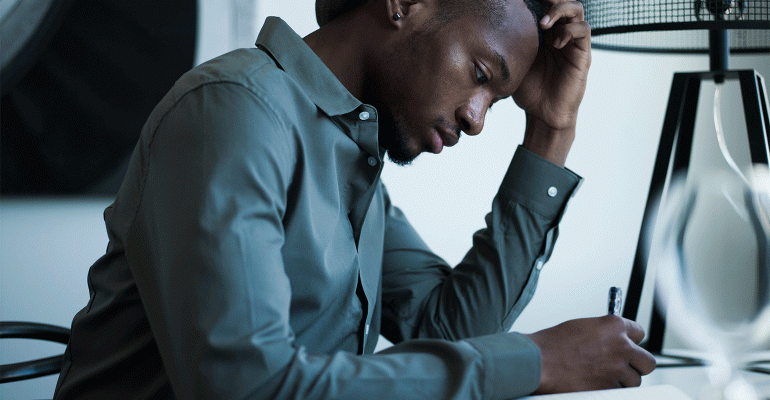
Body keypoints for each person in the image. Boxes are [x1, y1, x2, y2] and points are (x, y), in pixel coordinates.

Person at [53, 0, 656, 398]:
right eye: (480, 74)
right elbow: (244, 388)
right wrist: (537, 361)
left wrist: (551, 132)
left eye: (496, 103)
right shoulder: (234, 111)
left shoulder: (346, 150)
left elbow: (450, 328)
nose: (477, 121)